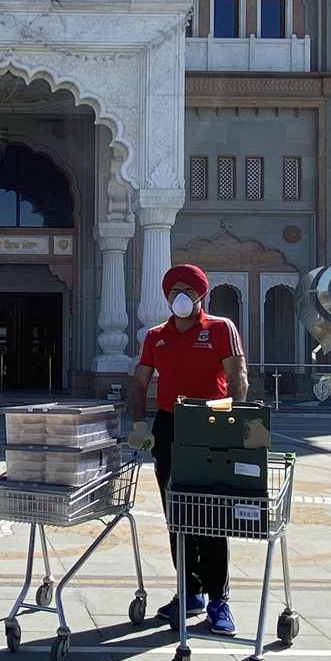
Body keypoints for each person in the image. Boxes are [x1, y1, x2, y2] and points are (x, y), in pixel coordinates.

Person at [126, 263, 248, 634]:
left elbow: (238, 376)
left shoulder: (220, 329)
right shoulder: (155, 336)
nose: (181, 296)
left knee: (210, 515)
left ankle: (218, 600)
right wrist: (138, 423)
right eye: (174, 290)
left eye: (188, 290)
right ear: (166, 295)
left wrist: (236, 424)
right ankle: (188, 590)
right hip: (169, 423)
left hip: (211, 422)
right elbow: (140, 381)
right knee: (177, 513)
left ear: (201, 295)